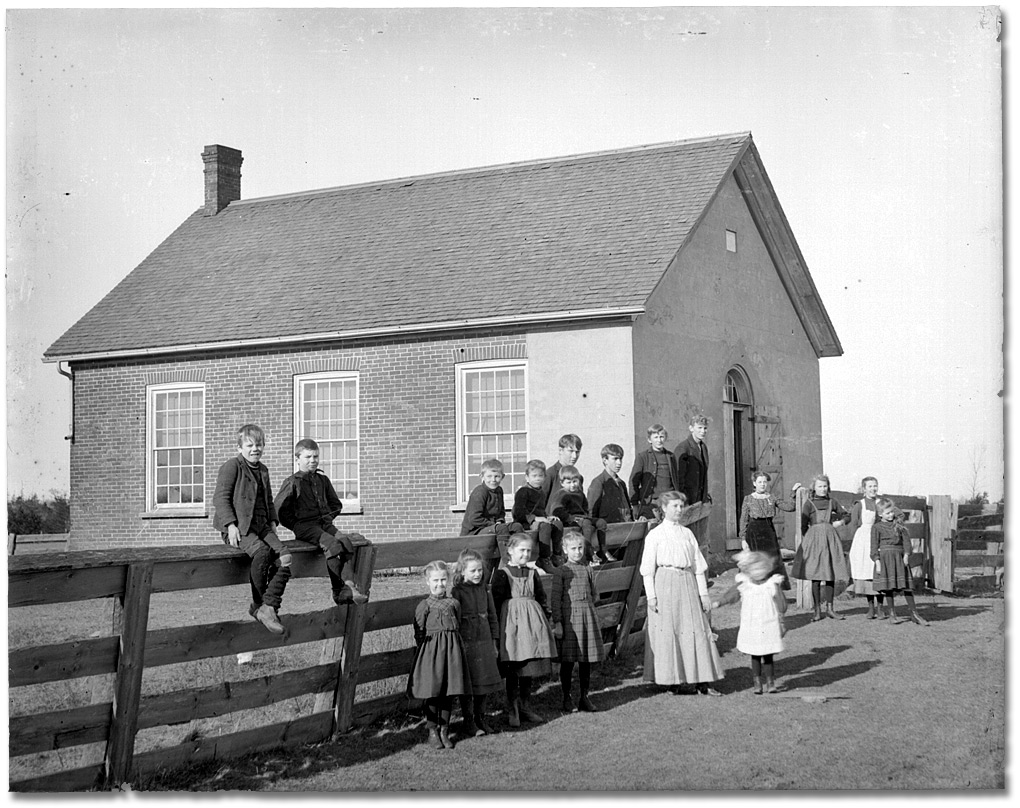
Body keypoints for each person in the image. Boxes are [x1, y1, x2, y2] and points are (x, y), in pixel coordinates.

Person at [640, 491, 724, 696]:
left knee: (696, 629)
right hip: (664, 584)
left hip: (687, 583)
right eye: (674, 506)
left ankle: (702, 682)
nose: (679, 510)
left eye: (681, 506)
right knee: (669, 632)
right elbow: (647, 570)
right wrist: (651, 597)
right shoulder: (655, 535)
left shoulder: (687, 534)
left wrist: (703, 594)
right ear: (664, 509)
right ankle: (673, 681)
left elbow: (697, 566)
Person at [213, 424, 290, 635]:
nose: (255, 449)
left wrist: (273, 521)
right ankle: (259, 605)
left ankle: (270, 605)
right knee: (263, 553)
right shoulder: (232, 467)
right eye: (250, 445)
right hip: (239, 528)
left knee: (285, 557)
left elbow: (268, 500)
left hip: (261, 525)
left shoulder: (263, 470)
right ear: (240, 447)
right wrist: (230, 525)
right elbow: (220, 499)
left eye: (259, 444)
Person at [273, 438, 367, 605]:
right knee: (332, 544)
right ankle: (338, 591)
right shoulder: (293, 482)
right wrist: (295, 524)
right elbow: (279, 510)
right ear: (297, 459)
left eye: (315, 456)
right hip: (305, 527)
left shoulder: (322, 480)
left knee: (345, 542)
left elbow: (335, 504)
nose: (313, 460)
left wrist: (327, 518)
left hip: (324, 524)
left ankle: (350, 587)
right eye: (308, 457)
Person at [490, 533, 558, 727]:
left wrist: (547, 618)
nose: (526, 554)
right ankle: (512, 708)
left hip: (531, 623)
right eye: (522, 550)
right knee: (514, 665)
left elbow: (541, 596)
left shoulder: (532, 573)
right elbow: (495, 602)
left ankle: (525, 706)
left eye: (529, 551)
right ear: (510, 551)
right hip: (512, 625)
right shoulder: (503, 574)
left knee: (528, 664)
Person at [407, 561, 471, 749]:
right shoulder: (424, 605)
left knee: (448, 692)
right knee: (433, 692)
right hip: (431, 655)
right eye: (435, 580)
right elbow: (419, 631)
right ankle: (432, 730)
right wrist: (427, 652)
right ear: (427, 582)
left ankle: (444, 730)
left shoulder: (454, 603)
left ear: (448, 580)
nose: (439, 584)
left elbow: (458, 624)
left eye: (443, 580)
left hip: (451, 654)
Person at [712, 551, 788, 694]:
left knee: (768, 654)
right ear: (749, 570)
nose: (758, 572)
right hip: (752, 624)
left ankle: (771, 682)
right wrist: (719, 602)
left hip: (768, 623)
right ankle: (757, 682)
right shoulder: (745, 584)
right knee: (756, 655)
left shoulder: (771, 585)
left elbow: (781, 604)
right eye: (755, 569)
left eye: (761, 569)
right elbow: (731, 595)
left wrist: (781, 612)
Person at [551, 532, 606, 712]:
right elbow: (555, 599)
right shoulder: (561, 571)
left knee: (586, 660)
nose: (577, 552)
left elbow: (595, 593)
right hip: (570, 619)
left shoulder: (588, 569)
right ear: (565, 550)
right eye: (573, 549)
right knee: (568, 660)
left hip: (587, 616)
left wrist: (589, 605)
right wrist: (558, 623)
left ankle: (584, 696)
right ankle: (567, 697)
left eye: (580, 548)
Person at [451, 549, 502, 736]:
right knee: (469, 683)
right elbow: (454, 620)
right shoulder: (457, 592)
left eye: (480, 570)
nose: (477, 574)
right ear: (462, 571)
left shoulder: (484, 590)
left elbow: (493, 617)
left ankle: (481, 717)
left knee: (484, 681)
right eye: (472, 571)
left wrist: (495, 643)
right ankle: (469, 721)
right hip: (467, 641)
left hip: (485, 640)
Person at [790, 474, 850, 622]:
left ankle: (830, 609)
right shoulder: (809, 503)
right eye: (819, 486)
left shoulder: (832, 502)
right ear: (814, 488)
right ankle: (817, 611)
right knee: (815, 575)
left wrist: (839, 522)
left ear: (828, 487)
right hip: (814, 541)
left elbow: (847, 515)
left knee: (830, 574)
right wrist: (810, 539)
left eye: (825, 486)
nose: (822, 489)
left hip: (830, 540)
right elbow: (803, 525)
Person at [871, 499, 929, 625]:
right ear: (880, 514)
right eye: (887, 513)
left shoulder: (900, 525)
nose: (891, 515)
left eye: (892, 512)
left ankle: (914, 614)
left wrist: (907, 555)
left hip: (900, 557)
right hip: (885, 559)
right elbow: (874, 547)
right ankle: (892, 613)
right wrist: (877, 562)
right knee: (889, 587)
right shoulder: (876, 527)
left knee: (907, 587)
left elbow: (907, 542)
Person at [738, 472, 799, 591]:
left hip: (768, 532)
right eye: (760, 482)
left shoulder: (772, 498)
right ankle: (753, 591)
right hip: (753, 533)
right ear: (754, 483)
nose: (762, 485)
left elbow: (790, 507)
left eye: (765, 482)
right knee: (754, 561)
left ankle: (772, 591)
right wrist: (743, 539)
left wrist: (793, 492)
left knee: (771, 560)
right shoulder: (748, 499)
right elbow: (743, 519)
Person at [547, 465, 610, 565]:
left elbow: (585, 507)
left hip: (582, 518)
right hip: (570, 519)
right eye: (569, 482)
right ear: (562, 483)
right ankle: (588, 549)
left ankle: (603, 550)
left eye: (575, 481)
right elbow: (557, 510)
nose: (572, 485)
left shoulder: (580, 493)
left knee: (601, 522)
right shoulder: (561, 494)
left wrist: (586, 514)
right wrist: (569, 518)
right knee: (586, 523)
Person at [512, 459, 563, 572]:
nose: (537, 478)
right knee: (545, 526)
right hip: (525, 522)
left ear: (544, 477)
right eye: (534, 476)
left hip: (538, 521)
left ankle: (557, 555)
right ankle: (544, 559)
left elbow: (541, 511)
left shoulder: (541, 493)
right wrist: (535, 518)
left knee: (557, 524)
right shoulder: (523, 491)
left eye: (540, 476)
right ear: (527, 477)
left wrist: (547, 516)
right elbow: (518, 512)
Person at [847, 476, 885, 618]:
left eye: (875, 486)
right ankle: (870, 608)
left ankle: (880, 607)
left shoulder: (881, 503)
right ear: (864, 489)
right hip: (863, 540)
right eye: (870, 486)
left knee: (877, 570)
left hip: (877, 537)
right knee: (865, 571)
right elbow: (854, 523)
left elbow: (888, 517)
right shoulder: (860, 504)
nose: (873, 489)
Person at [460, 458, 523, 539]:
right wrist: (493, 524)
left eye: (497, 476)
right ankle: (506, 551)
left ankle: (520, 549)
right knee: (501, 529)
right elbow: (474, 518)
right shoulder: (480, 492)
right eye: (489, 476)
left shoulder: (499, 491)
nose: (493, 480)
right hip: (474, 531)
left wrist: (500, 521)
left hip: (492, 527)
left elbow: (501, 512)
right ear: (482, 476)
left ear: (502, 477)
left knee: (517, 527)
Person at [630, 424, 680, 521]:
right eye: (656, 437)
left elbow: (675, 480)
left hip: (669, 503)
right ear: (649, 440)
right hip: (651, 505)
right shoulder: (642, 457)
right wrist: (635, 505)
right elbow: (633, 482)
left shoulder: (671, 456)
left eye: (661, 436)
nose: (659, 440)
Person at [587, 443, 634, 526]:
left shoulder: (621, 483)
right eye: (615, 459)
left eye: (620, 459)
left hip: (625, 527)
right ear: (605, 460)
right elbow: (591, 512)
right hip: (608, 529)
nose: (619, 463)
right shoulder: (598, 482)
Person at [542, 434, 583, 504]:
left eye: (577, 452)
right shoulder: (550, 474)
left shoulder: (579, 477)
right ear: (560, 450)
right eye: (571, 451)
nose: (574, 456)